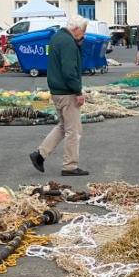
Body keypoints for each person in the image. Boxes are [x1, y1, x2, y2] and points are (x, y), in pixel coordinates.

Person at [29, 16, 90, 177]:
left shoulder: (57, 37)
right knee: (74, 130)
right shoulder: (69, 43)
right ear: (76, 29)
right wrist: (78, 92)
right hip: (67, 92)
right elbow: (69, 71)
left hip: (57, 90)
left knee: (63, 126)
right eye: (83, 31)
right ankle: (70, 166)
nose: (83, 35)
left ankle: (40, 154)